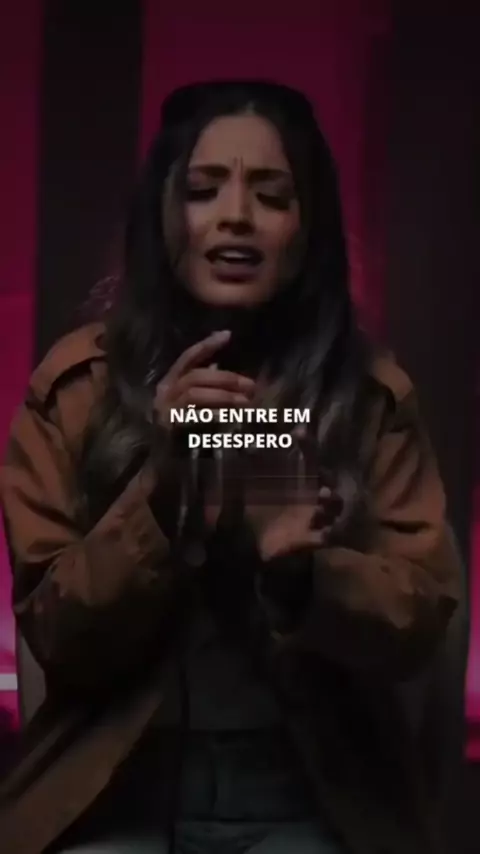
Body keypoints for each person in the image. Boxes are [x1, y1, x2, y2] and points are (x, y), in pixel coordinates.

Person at [0, 80, 460, 854]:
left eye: (271, 195)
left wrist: (303, 578)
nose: (236, 216)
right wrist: (160, 495)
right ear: (162, 214)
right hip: (115, 791)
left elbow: (420, 624)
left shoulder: (367, 395)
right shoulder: (78, 387)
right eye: (203, 190)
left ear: (308, 227)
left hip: (310, 793)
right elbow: (57, 633)